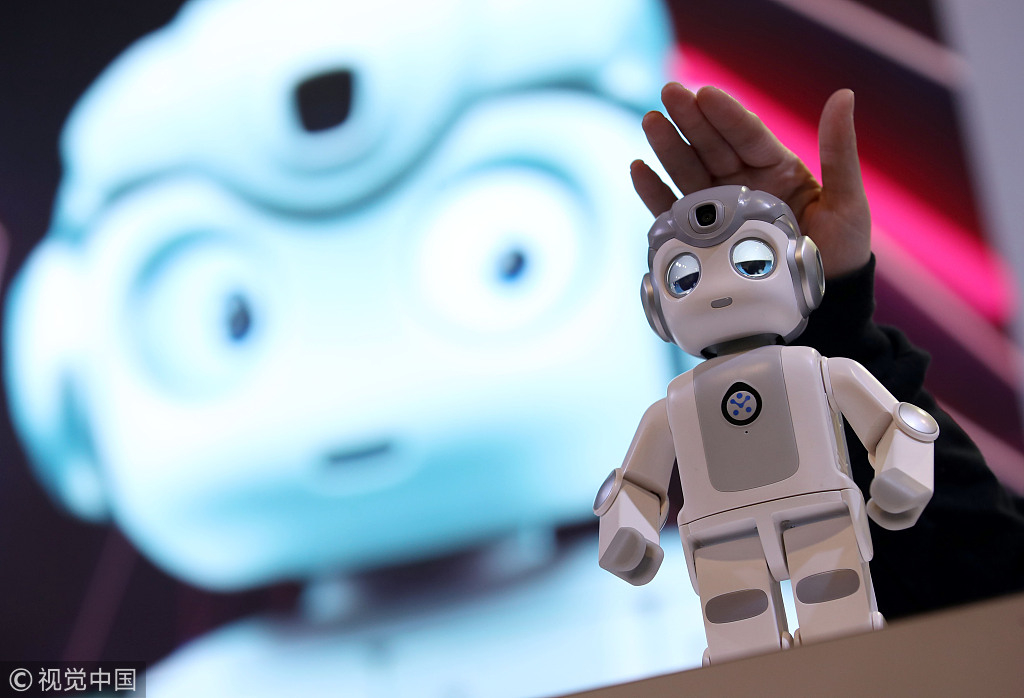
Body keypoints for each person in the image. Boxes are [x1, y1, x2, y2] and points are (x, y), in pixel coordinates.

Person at [628, 83, 1024, 619]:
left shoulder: (820, 372)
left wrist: (903, 476)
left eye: (751, 262)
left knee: (835, 610)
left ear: (802, 268)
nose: (719, 290)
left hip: (823, 525)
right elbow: (988, 570)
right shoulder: (680, 402)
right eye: (686, 276)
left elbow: (894, 428)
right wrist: (628, 523)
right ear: (655, 305)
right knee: (738, 621)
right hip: (721, 540)